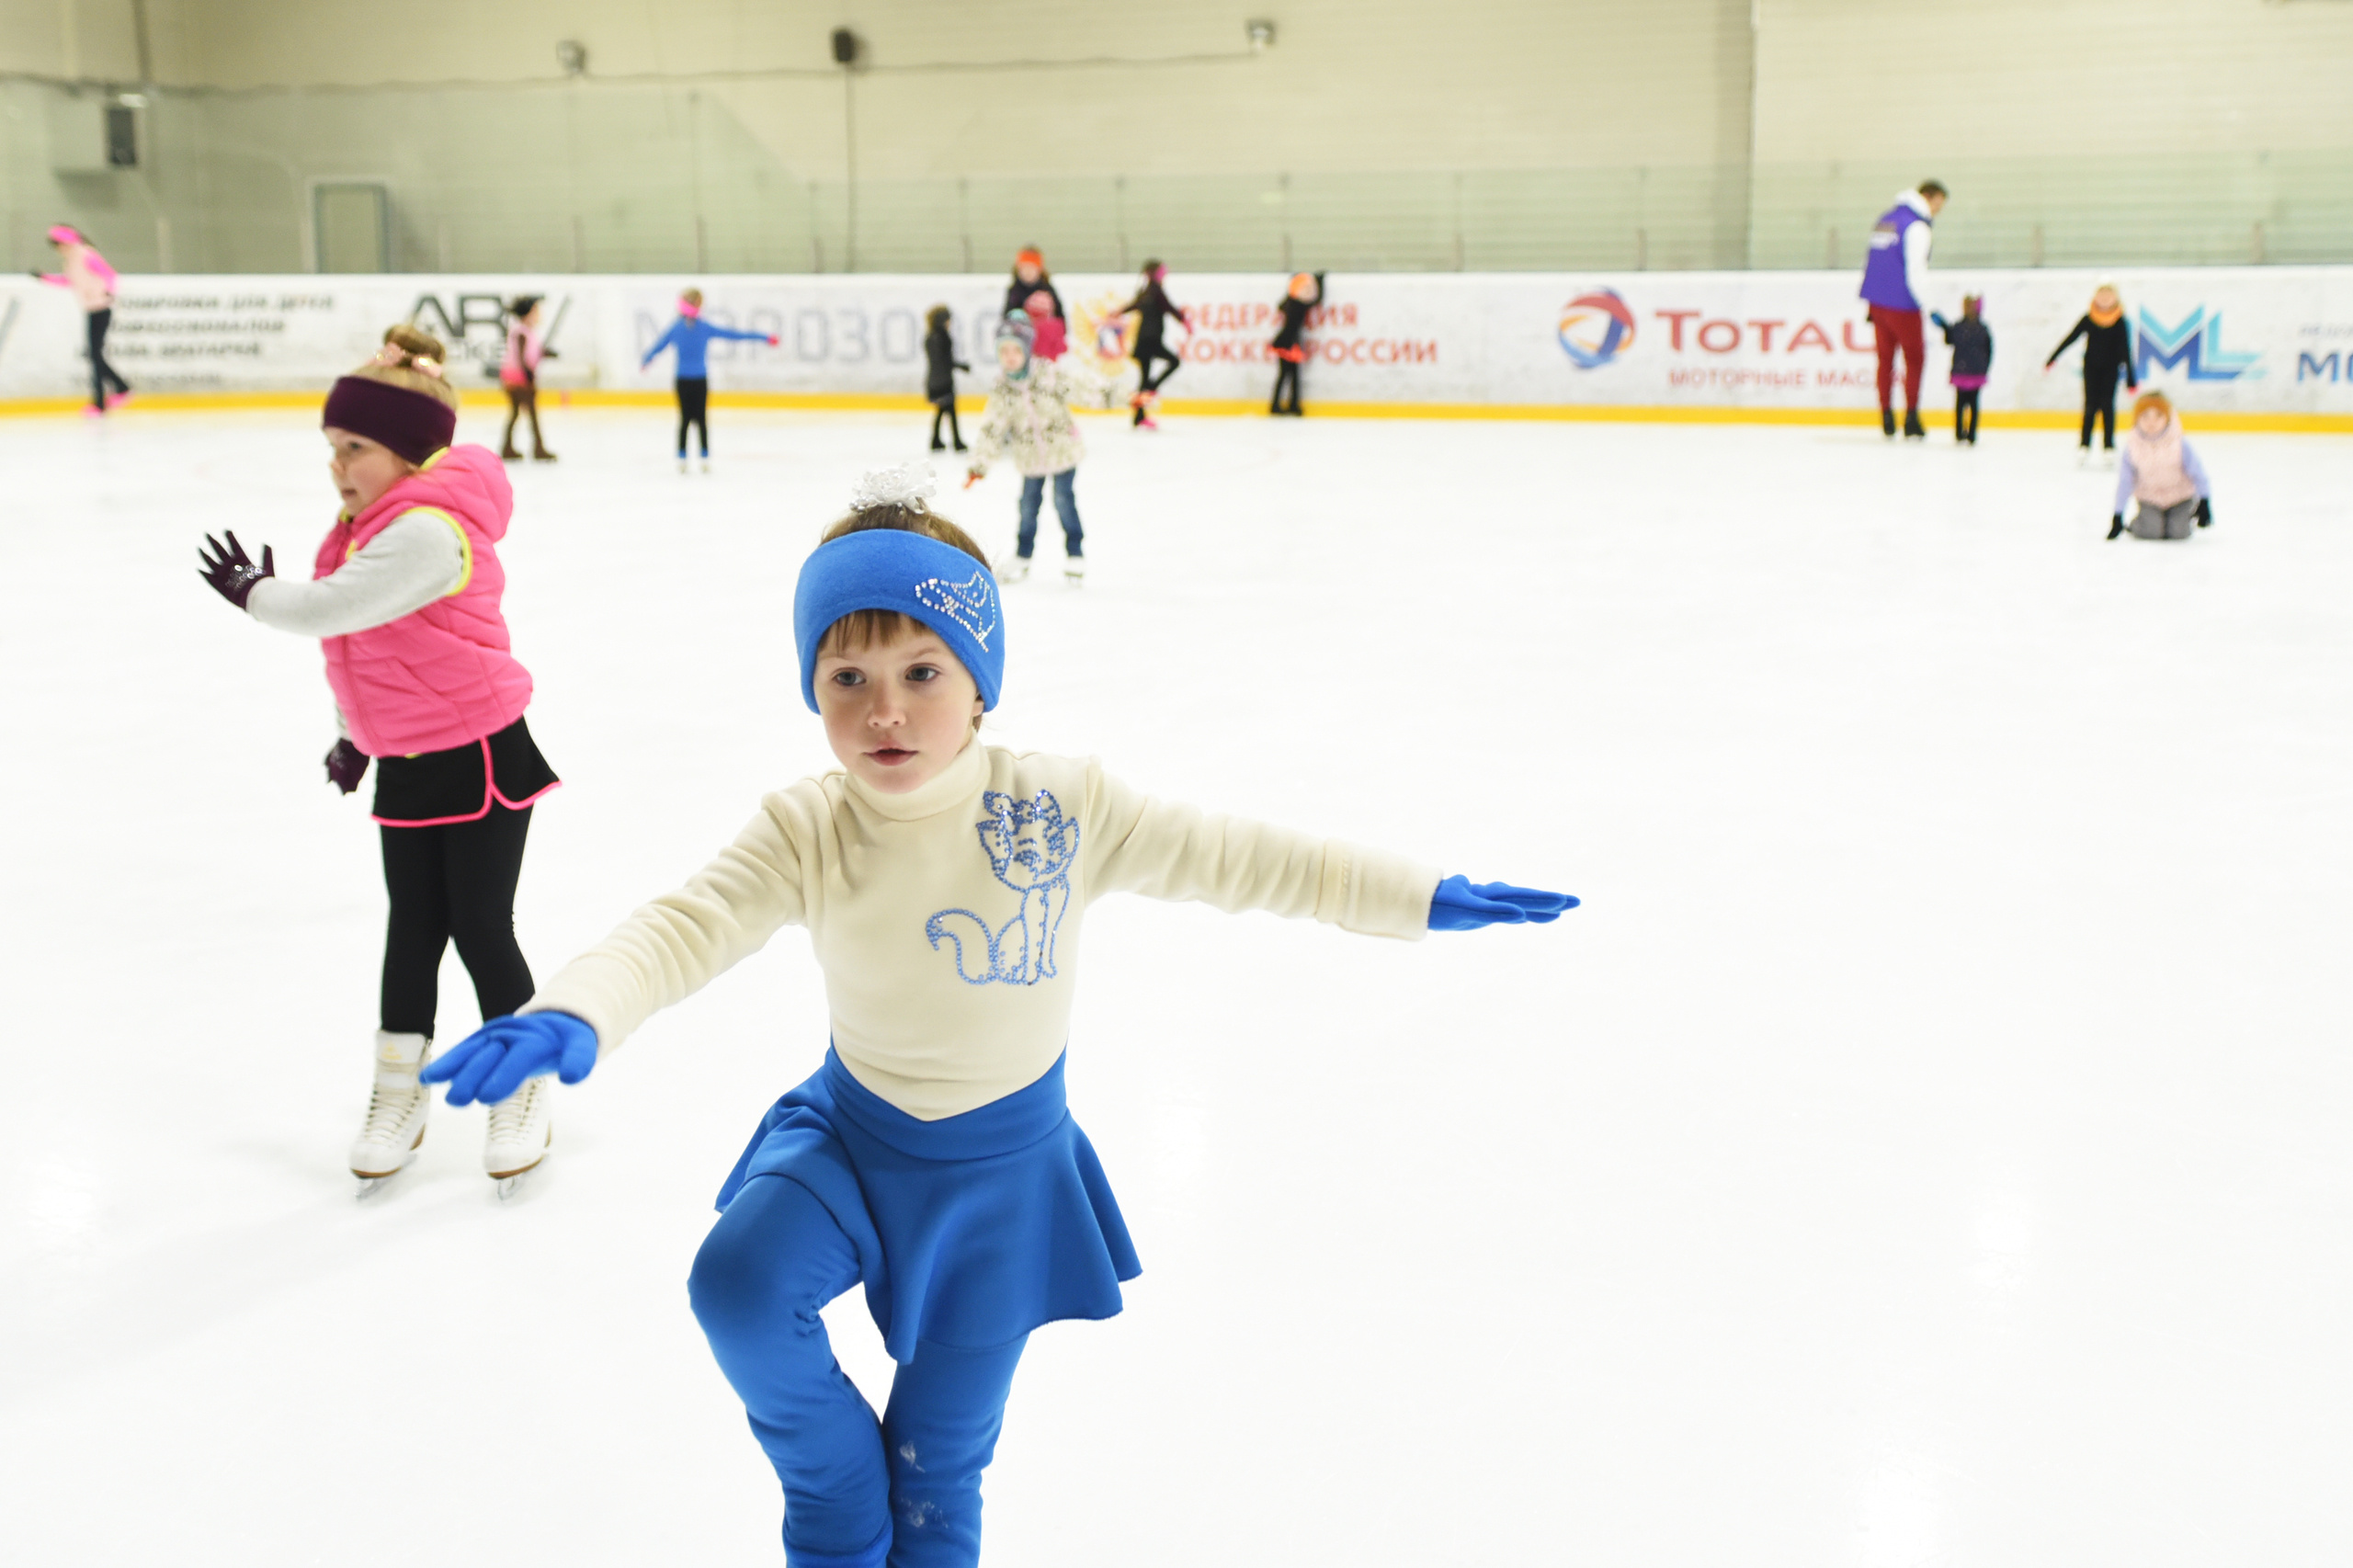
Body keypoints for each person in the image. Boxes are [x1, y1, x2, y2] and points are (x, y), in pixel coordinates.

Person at [416, 462, 1575, 1568]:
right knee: (738, 1286)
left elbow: (1250, 857)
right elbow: (682, 925)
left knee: (939, 1469)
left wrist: (1416, 893)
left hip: (1002, 1183)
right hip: (850, 1138)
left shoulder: (1063, 807)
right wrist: (577, 1009)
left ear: (981, 680)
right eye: (847, 678)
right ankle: (832, 1498)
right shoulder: (808, 826)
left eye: (923, 671)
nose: (885, 710)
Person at [193, 325, 562, 1192]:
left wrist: (255, 593)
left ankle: (523, 1082)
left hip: (479, 753)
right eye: (332, 447)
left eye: (355, 447)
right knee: (413, 929)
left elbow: (330, 611)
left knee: (479, 926)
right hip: (410, 757)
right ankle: (398, 1094)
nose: (338, 465)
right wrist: (355, 736)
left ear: (409, 450)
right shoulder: (368, 528)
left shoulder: (428, 531)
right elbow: (366, 653)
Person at [965, 312, 1086, 585]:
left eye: (1016, 350)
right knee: (1028, 506)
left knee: (1063, 500)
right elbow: (992, 428)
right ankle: (1023, 555)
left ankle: (1075, 552)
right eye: (1003, 351)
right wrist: (979, 465)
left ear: (1027, 350)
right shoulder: (1002, 389)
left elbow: (1085, 388)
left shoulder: (1048, 375)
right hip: (1031, 458)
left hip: (1062, 452)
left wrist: (1125, 397)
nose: (1010, 357)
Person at [641, 288, 781, 472]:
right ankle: (684, 456)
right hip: (685, 380)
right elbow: (659, 346)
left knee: (699, 418)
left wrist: (764, 337)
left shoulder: (700, 327)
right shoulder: (679, 328)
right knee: (687, 419)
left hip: (698, 379)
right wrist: (647, 359)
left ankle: (702, 455)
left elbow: (735, 335)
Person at [1857, 180, 1947, 439]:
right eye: (1938, 204)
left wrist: (1873, 297)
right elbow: (1916, 272)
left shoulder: (1886, 219)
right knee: (1914, 359)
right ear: (1929, 197)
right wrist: (1932, 308)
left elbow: (1873, 259)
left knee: (1885, 360)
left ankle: (1886, 415)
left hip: (1877, 302)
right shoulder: (1917, 227)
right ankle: (1911, 417)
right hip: (1902, 304)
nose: (1938, 210)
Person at [33, 223, 131, 416]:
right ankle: (118, 390)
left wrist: (108, 291)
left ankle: (106, 399)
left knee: (94, 354)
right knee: (94, 355)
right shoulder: (71, 260)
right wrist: (45, 278)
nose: (58, 249)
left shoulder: (85, 254)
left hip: (101, 308)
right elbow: (69, 281)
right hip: (92, 309)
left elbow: (109, 274)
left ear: (67, 242)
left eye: (59, 244)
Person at [2044, 283, 2137, 461]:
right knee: (2090, 406)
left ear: (2116, 298)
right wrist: (2053, 358)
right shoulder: (2089, 318)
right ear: (2095, 297)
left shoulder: (2120, 321)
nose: (2105, 298)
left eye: (2109, 294)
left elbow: (2125, 350)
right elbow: (2071, 337)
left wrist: (2130, 378)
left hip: (2111, 369)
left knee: (2107, 405)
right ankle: (2084, 444)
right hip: (2091, 368)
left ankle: (2109, 446)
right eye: (2101, 294)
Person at [2109, 390, 2213, 541]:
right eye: (2145, 416)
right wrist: (2118, 514)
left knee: (2179, 533)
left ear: (2168, 418)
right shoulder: (2132, 447)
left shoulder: (2179, 444)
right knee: (2151, 532)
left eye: (2158, 416)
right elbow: (2125, 482)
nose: (2151, 422)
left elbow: (2198, 473)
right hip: (2150, 500)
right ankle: (2139, 523)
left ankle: (2179, 520)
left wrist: (2204, 501)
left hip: (2180, 499)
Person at [1111, 259, 1186, 429]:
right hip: (1151, 340)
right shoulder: (1156, 291)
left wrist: (1119, 311)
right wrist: (1184, 321)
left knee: (1144, 381)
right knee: (1173, 362)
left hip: (1144, 340)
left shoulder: (1146, 291)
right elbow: (1169, 307)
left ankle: (1139, 417)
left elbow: (1134, 305)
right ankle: (1152, 387)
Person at [498, 295, 557, 463]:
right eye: (536, 311)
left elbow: (530, 353)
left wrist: (544, 353)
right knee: (530, 414)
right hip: (519, 378)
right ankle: (538, 448)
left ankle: (508, 447)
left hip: (516, 376)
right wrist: (528, 375)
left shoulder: (524, 331)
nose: (538, 315)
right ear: (528, 313)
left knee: (517, 413)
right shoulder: (521, 332)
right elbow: (522, 356)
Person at [1929, 294, 1992, 446]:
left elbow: (1988, 350)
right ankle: (1960, 433)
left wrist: (1984, 368)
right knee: (1961, 404)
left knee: (1973, 405)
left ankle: (1971, 434)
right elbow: (1949, 340)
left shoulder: (1981, 329)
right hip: (1962, 373)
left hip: (1974, 373)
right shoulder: (1960, 327)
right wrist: (1945, 327)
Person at [1267, 271, 1324, 416]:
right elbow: (1316, 300)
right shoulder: (1299, 304)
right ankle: (1285, 405)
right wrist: (1320, 282)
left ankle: (1289, 404)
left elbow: (1281, 305)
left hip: (1287, 340)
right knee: (1288, 374)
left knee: (1289, 374)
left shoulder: (1289, 302)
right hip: (1288, 341)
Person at [924, 305, 970, 452]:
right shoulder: (943, 337)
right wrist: (961, 366)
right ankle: (956, 442)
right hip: (944, 381)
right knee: (951, 411)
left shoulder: (929, 337)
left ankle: (936, 440)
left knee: (942, 410)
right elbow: (946, 360)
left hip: (933, 380)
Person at [1003, 246, 1062, 324]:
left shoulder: (1047, 290)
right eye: (1024, 268)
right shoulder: (1014, 291)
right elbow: (1007, 316)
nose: (1028, 272)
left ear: (1039, 270)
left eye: (1031, 268)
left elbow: (1059, 317)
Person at [1020, 290, 1068, 361]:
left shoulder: (1022, 325)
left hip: (1030, 361)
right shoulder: (1056, 325)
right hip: (1050, 361)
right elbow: (1062, 348)